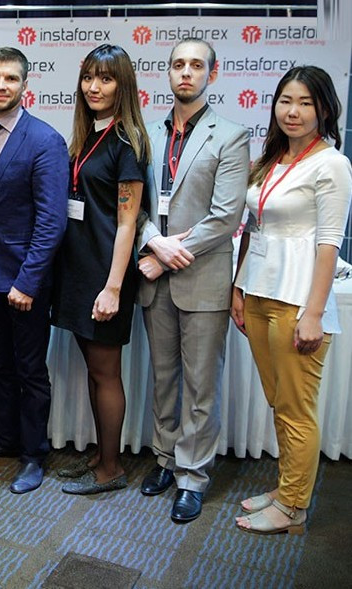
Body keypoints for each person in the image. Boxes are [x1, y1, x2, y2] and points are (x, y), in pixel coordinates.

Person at [232, 66, 351, 535]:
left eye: (305, 102)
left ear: (324, 109)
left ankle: (293, 507)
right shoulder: (273, 158)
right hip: (259, 292)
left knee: (297, 409)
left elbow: (329, 243)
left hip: (297, 302)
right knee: (279, 402)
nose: (293, 111)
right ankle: (287, 488)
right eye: (286, 101)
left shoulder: (331, 164)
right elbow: (254, 229)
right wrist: (238, 288)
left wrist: (313, 314)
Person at [135, 39, 250, 523]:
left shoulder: (232, 135)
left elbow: (226, 217)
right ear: (167, 72)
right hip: (154, 280)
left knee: (201, 386)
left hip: (202, 279)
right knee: (163, 379)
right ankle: (165, 459)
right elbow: (134, 204)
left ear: (212, 74)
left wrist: (164, 259)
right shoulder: (146, 134)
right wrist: (152, 241)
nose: (186, 72)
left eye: (196, 65)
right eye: (178, 64)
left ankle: (192, 476)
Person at [0, 47, 68, 494]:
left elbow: (51, 221)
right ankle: (5, 438)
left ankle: (33, 454)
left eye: (10, 78)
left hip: (26, 281)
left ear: (26, 85)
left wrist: (28, 281)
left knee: (30, 370)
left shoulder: (45, 140)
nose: (1, 85)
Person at [51, 44, 149, 496]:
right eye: (89, 77)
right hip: (78, 268)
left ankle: (111, 468)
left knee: (106, 372)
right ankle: (100, 454)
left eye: (106, 79)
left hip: (106, 275)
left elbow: (128, 222)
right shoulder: (87, 135)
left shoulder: (128, 142)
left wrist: (113, 287)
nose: (94, 86)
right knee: (94, 369)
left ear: (122, 85)